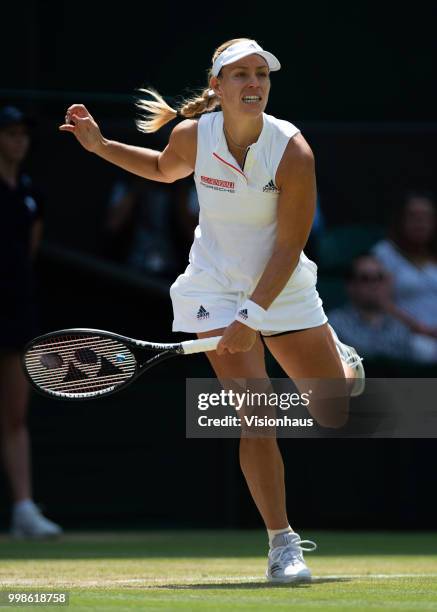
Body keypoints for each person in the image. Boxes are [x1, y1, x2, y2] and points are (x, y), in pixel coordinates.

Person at [59, 38, 365, 584]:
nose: (254, 84)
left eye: (261, 75)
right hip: (214, 288)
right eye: (241, 75)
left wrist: (252, 320)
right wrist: (100, 145)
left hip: (282, 284)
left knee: (333, 412)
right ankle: (282, 544)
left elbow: (289, 245)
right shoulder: (192, 137)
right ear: (217, 87)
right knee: (257, 417)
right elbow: (160, 168)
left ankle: (342, 358)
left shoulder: (292, 150)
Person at [0, 105, 62, 538]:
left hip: (16, 311)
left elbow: (29, 255)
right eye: (9, 133)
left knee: (15, 415)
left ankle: (23, 509)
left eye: (23, 134)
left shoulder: (31, 193)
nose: (18, 141)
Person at [328, 254, 437, 362]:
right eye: (365, 279)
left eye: (379, 278)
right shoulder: (335, 325)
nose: (374, 284)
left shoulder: (400, 326)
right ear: (350, 286)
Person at [372, 191, 437, 337]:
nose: (420, 222)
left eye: (427, 217)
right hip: (404, 337)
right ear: (401, 219)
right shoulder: (384, 254)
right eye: (413, 216)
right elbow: (382, 302)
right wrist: (422, 329)